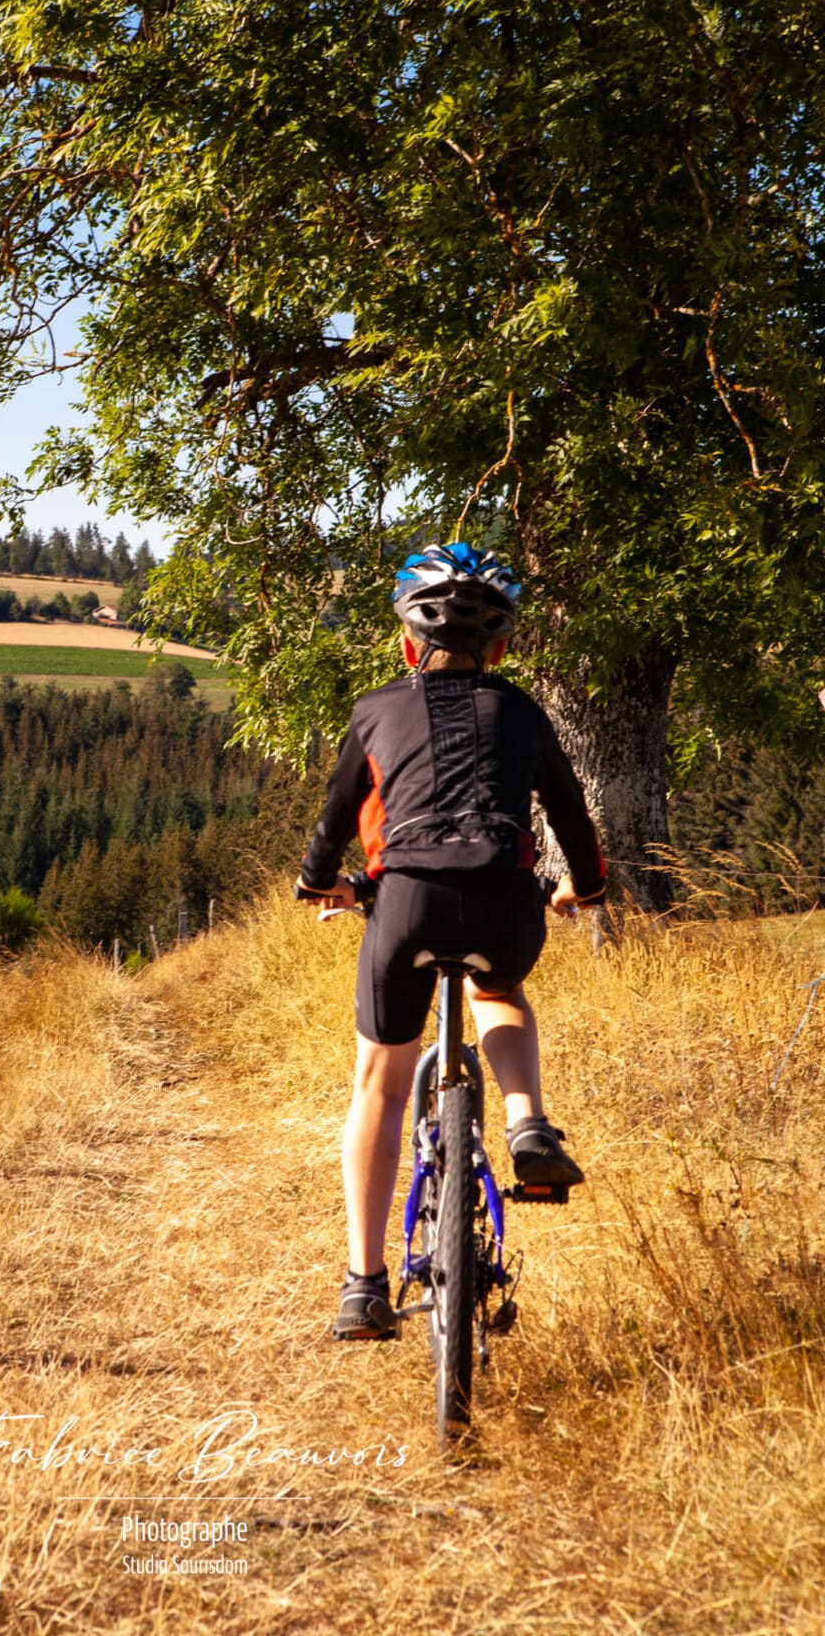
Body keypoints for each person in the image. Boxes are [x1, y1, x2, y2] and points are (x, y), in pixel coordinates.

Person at [295, 541, 607, 1343]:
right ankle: (528, 1122)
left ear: (407, 643)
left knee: (381, 1084)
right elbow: (572, 816)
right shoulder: (523, 712)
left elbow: (336, 815)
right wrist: (590, 888)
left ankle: (364, 1288)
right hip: (506, 903)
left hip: (405, 905)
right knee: (498, 989)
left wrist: (314, 880)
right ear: (499, 648)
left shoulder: (374, 709)